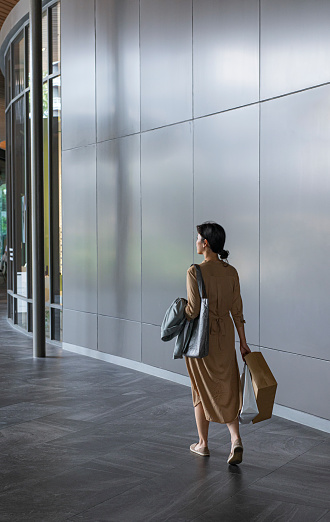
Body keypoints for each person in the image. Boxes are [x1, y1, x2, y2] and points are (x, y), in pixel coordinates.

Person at [185, 221, 251, 465]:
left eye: (198, 238)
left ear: (206, 243)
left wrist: (178, 310)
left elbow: (192, 311)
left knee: (200, 387)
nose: (196, 242)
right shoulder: (231, 272)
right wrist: (243, 343)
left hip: (201, 340)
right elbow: (238, 311)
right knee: (228, 385)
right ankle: (235, 439)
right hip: (225, 338)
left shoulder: (195, 271)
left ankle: (203, 444)